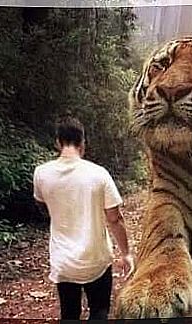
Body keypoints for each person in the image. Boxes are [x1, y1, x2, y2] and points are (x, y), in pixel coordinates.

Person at [33, 116, 134, 320]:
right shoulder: (99, 174)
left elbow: (41, 205)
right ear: (83, 143)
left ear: (58, 142)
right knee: (99, 312)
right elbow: (115, 219)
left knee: (69, 314)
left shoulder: (41, 173)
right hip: (96, 259)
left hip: (64, 262)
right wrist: (126, 253)